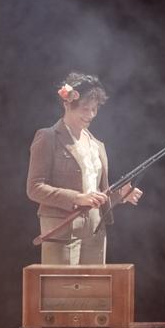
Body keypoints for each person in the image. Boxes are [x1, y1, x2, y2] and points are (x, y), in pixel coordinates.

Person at [27, 72, 143, 264]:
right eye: (85, 109)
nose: (90, 115)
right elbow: (34, 188)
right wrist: (77, 198)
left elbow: (98, 193)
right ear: (67, 104)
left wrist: (121, 194)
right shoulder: (48, 137)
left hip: (96, 229)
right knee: (61, 291)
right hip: (61, 229)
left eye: (95, 109)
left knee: (95, 291)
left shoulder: (96, 145)